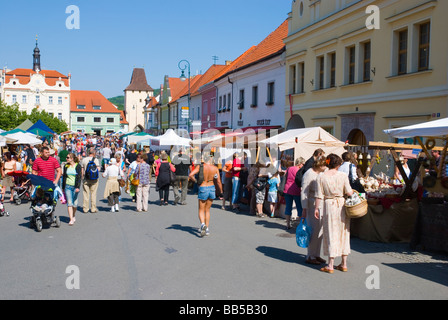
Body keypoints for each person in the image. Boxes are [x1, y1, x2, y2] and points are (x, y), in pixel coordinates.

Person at [314, 154, 354, 274]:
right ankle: (344, 263)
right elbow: (349, 192)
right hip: (341, 204)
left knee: (331, 232)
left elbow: (318, 195)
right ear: (338, 164)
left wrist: (316, 208)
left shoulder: (321, 176)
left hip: (329, 205)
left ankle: (330, 264)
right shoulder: (343, 176)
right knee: (344, 232)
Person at [301, 156, 327, 265]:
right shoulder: (309, 174)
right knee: (313, 230)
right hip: (311, 204)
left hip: (319, 204)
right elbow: (304, 192)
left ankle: (316, 254)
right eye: (325, 165)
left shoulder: (319, 174)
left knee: (319, 231)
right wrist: (304, 208)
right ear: (320, 165)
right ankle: (310, 255)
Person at [189, 152, 223, 237]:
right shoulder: (215, 168)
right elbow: (218, 181)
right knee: (207, 210)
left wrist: (196, 182)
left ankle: (202, 225)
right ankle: (207, 229)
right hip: (212, 187)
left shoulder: (200, 167)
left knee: (201, 209)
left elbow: (190, 175)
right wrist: (221, 192)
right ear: (210, 159)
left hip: (203, 186)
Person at [283, 157, 305, 229]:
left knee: (288, 207)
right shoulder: (299, 170)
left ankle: (288, 224)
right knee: (299, 207)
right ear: (300, 163)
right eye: (303, 164)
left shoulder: (289, 168)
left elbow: (285, 176)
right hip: (296, 189)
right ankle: (300, 224)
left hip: (287, 189)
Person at [62, 153, 82, 225]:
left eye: (68, 158)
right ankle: (71, 219)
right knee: (69, 203)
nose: (66, 159)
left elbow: (79, 177)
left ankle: (73, 215)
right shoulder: (66, 166)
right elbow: (64, 177)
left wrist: (78, 187)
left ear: (72, 159)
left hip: (75, 186)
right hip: (68, 186)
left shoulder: (78, 166)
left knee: (75, 204)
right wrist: (63, 187)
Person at [81, 147, 100, 213]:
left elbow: (82, 170)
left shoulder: (84, 160)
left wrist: (82, 177)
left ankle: (85, 208)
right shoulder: (96, 160)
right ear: (93, 153)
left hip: (86, 178)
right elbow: (98, 169)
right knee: (93, 193)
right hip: (94, 179)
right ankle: (93, 208)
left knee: (86, 194)